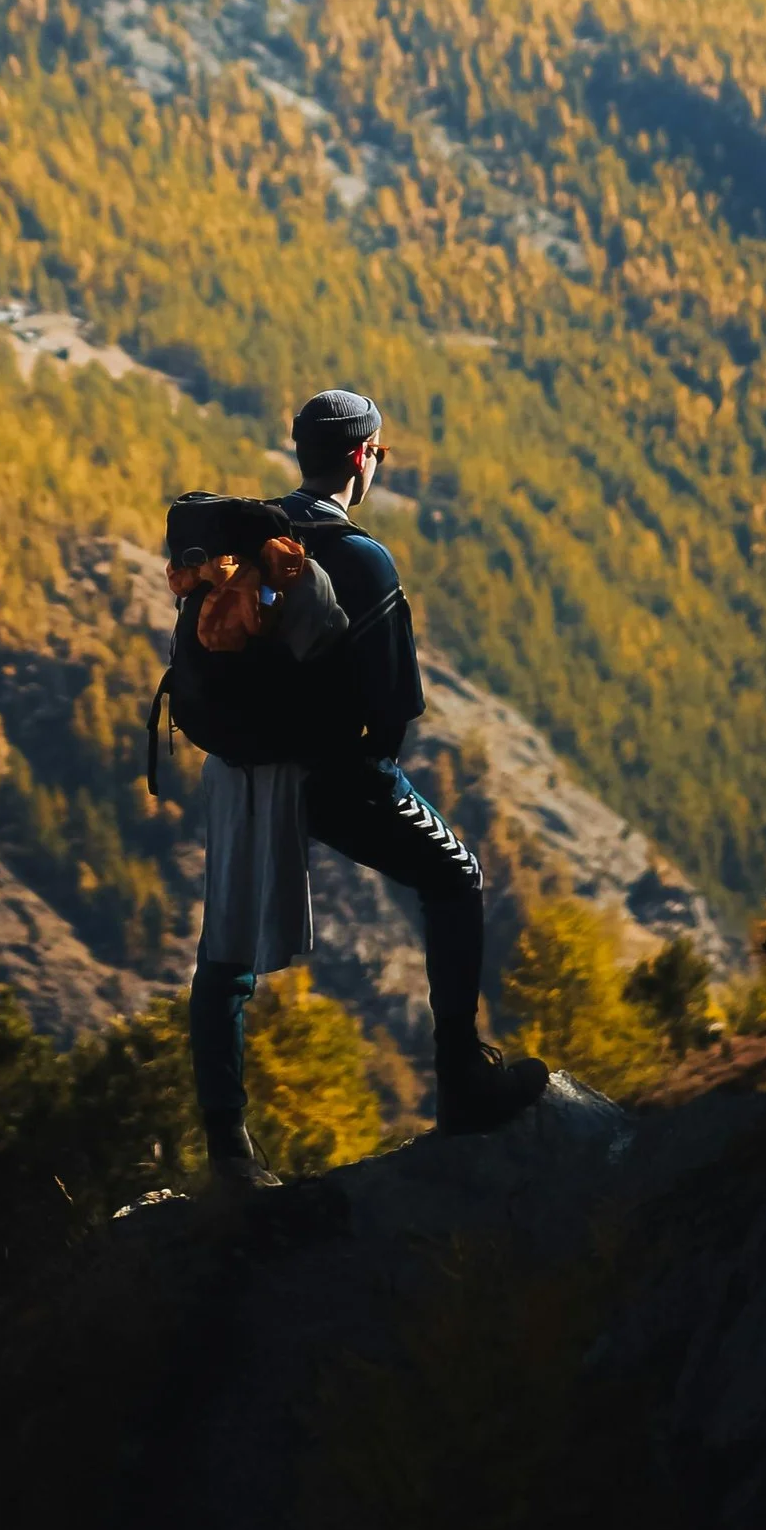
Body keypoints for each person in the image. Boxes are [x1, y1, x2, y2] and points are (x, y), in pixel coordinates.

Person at [188, 384, 548, 1185]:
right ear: (361, 457)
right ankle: (463, 1084)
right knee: (454, 875)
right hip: (331, 775)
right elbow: (394, 709)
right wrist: (362, 772)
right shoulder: (360, 559)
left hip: (240, 773)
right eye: (377, 453)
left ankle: (227, 1152)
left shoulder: (248, 542)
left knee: (226, 949)